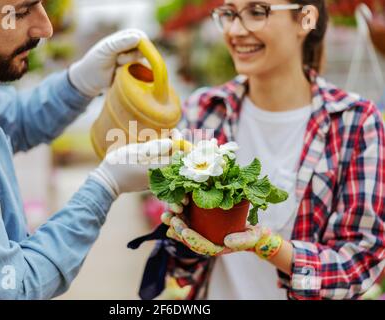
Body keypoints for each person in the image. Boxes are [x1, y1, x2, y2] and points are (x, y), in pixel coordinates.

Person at [138, 0, 385, 300]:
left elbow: (359, 263)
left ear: (306, 20)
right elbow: (180, 266)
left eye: (257, 12)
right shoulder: (204, 110)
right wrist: (181, 234)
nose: (236, 30)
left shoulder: (354, 122)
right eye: (229, 14)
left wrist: (268, 246)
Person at [0, 0, 172, 299]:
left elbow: (14, 119)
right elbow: (8, 290)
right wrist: (104, 187)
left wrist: (81, 81)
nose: (44, 27)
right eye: (20, 12)